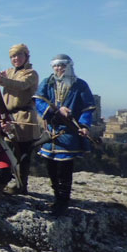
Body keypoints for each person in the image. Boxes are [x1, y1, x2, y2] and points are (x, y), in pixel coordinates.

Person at [33, 54, 95, 216]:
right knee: (51, 168)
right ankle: (57, 198)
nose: (58, 69)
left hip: (68, 133)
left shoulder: (80, 85)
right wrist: (54, 112)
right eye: (56, 66)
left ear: (68, 66)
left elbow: (87, 108)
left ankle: (63, 201)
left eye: (62, 66)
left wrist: (83, 125)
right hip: (52, 130)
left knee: (64, 169)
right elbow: (39, 100)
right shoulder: (47, 82)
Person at [0, 44, 41, 195]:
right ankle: (6, 180)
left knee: (23, 152)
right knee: (8, 149)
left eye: (19, 55)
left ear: (26, 56)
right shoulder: (9, 72)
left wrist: (3, 80)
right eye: (13, 56)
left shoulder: (31, 73)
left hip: (23, 117)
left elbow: (21, 85)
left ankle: (21, 184)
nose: (15, 59)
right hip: (9, 116)